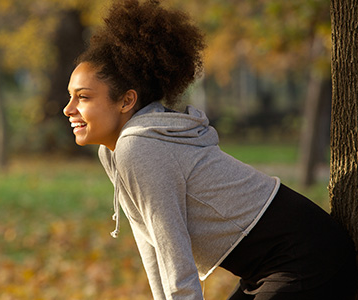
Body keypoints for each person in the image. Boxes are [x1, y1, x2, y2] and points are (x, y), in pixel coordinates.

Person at [63, 0, 358, 299]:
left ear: (126, 101)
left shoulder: (139, 147)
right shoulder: (115, 151)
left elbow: (173, 249)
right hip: (267, 265)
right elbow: (151, 242)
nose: (68, 109)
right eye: (71, 97)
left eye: (83, 97)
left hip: (307, 256)